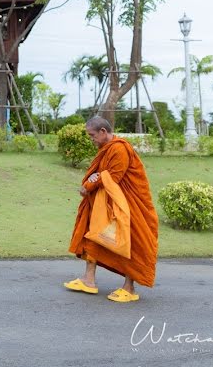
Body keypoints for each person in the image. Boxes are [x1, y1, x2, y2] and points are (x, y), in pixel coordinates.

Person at [65, 116, 159, 302]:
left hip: (130, 205)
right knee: (94, 234)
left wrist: (89, 186)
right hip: (108, 202)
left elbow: (112, 176)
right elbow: (103, 175)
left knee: (131, 241)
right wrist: (90, 185)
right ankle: (88, 280)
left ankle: (129, 288)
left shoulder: (119, 148)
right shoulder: (106, 149)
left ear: (103, 132)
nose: (91, 139)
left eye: (92, 135)